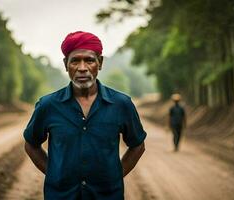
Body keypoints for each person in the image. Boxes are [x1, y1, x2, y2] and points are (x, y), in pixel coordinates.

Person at [23, 31, 146, 200]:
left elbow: (138, 145)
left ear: (100, 63)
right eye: (75, 61)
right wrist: (54, 173)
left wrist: (115, 176)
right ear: (66, 64)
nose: (82, 68)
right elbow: (31, 144)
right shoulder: (48, 105)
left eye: (89, 60)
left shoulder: (121, 104)